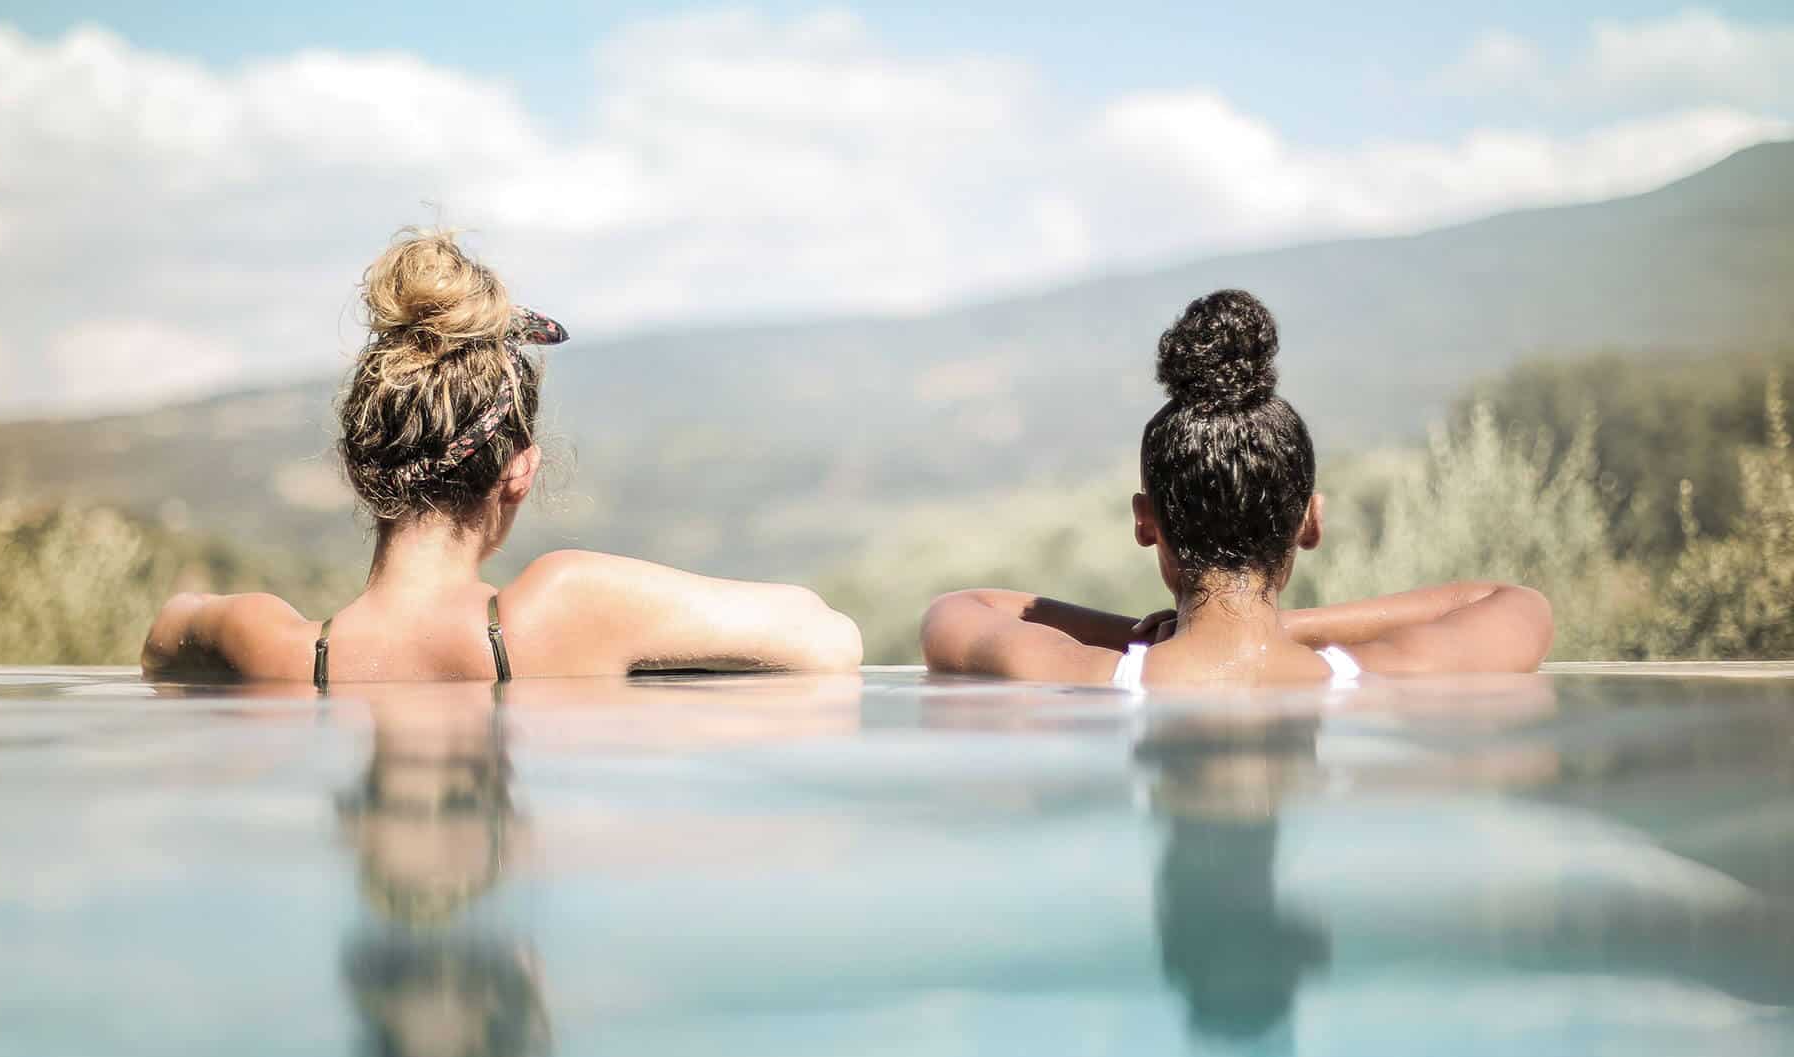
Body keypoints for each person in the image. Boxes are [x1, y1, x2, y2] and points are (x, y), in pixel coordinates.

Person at [143, 229, 861, 684]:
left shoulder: (274, 648)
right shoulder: (563, 605)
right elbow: (828, 639)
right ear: (518, 471)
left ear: (358, 467)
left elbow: (169, 630)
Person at [920, 289, 1552, 690]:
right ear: (1311, 521)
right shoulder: (1377, 672)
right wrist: (1282, 626)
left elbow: (958, 610)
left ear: (1145, 523)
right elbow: (1512, 601)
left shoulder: (1090, 676)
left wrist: (1149, 637)